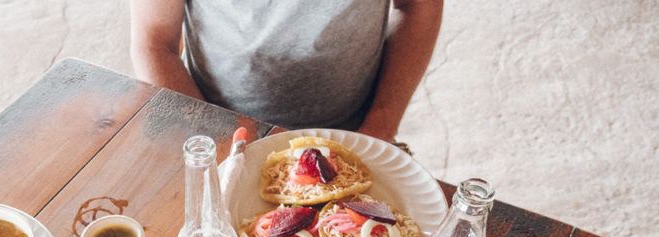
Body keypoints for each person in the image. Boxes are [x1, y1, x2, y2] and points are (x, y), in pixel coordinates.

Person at [129, 0, 442, 143]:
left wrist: (381, 127)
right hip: (213, 130)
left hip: (355, 132)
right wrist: (216, 142)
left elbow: (417, 6)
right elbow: (154, 42)